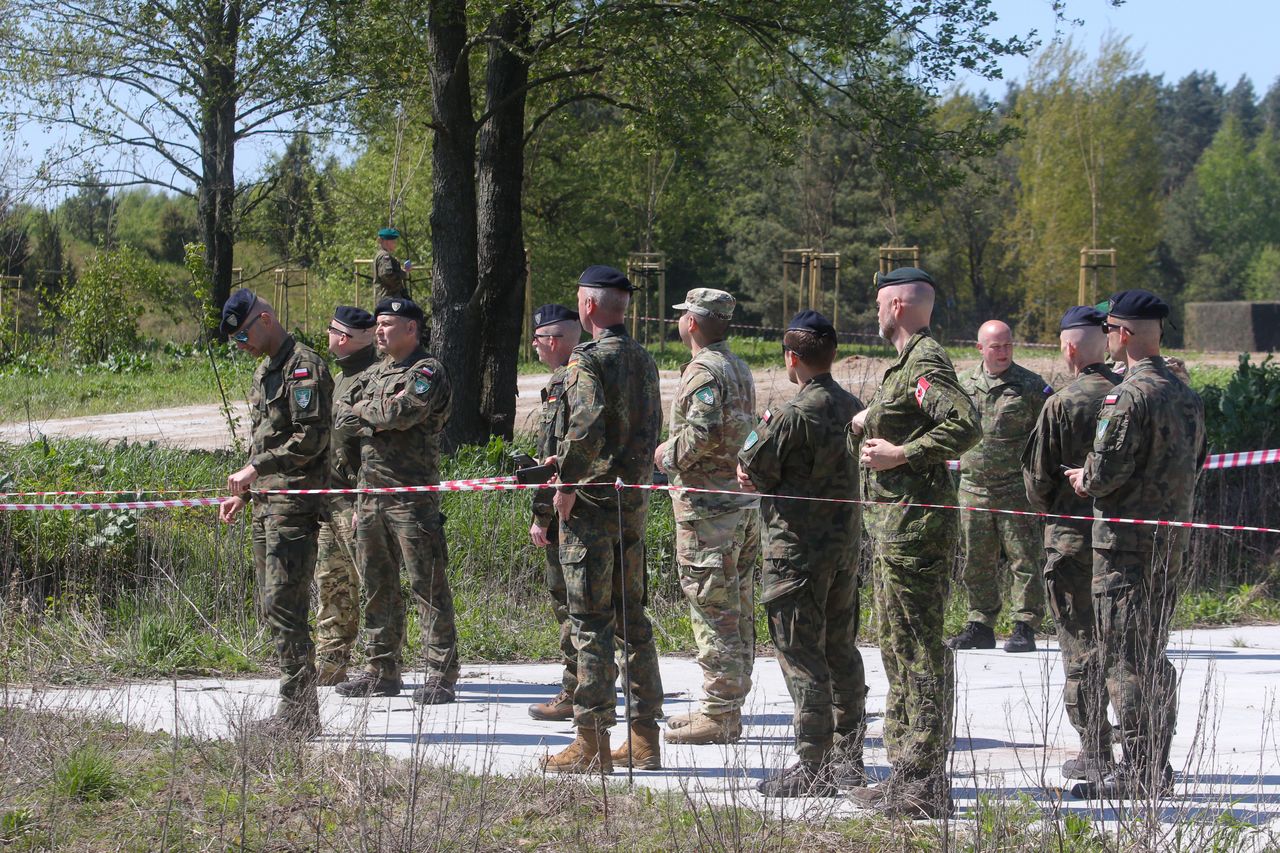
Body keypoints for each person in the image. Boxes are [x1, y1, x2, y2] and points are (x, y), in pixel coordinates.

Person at [848, 267, 980, 819]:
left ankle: (925, 785)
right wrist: (869, 421)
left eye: (880, 303)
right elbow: (910, 417)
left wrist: (901, 455)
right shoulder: (905, 366)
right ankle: (906, 771)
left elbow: (965, 423)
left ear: (898, 305)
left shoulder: (925, 361)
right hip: (894, 529)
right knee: (897, 649)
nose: (875, 313)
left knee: (919, 652)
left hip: (915, 529)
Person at [1066, 289, 1206, 799]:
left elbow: (1105, 472)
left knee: (1126, 657)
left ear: (1122, 335)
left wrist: (1084, 477)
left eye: (1109, 331)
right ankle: (1155, 764)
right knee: (1151, 650)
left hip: (1126, 545)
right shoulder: (1186, 394)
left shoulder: (1129, 396)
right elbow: (1198, 462)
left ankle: (1142, 769)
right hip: (1171, 542)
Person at [540, 265, 664, 775]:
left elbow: (588, 424)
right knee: (633, 621)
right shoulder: (644, 358)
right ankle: (644, 737)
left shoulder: (586, 361)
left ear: (588, 307)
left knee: (590, 622)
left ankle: (591, 741)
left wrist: (565, 480)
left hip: (591, 505)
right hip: (631, 502)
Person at [737, 310, 865, 798]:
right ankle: (849, 758)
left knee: (802, 655)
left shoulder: (792, 414)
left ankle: (814, 766)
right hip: (844, 549)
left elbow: (753, 466)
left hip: (796, 554)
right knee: (841, 649)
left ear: (793, 358)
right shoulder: (852, 405)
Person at [217, 290, 333, 736]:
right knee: (273, 606)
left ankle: (300, 716)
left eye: (243, 334)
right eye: (235, 340)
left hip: (294, 505)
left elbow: (312, 438)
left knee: (286, 606)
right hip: (267, 504)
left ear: (265, 319)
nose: (241, 344)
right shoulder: (266, 370)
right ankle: (297, 708)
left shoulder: (303, 366)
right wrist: (245, 492)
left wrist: (255, 469)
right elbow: (263, 439)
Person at [334, 297, 458, 705]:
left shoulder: (427, 370)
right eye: (378, 324)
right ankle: (381, 669)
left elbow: (403, 412)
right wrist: (371, 414)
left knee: (427, 585)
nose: (381, 331)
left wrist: (366, 413)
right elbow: (343, 420)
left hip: (411, 496)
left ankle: (440, 674)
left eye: (388, 324)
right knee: (377, 584)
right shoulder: (374, 373)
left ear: (411, 329)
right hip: (370, 495)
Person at [655, 288, 760, 746]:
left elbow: (699, 434)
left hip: (709, 510)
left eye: (683, 316)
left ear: (692, 322)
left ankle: (720, 715)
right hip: (740, 505)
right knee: (738, 607)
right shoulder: (738, 365)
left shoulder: (704, 370)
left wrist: (664, 456)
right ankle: (725, 707)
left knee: (714, 610)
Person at [1022, 306, 1120, 782]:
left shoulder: (1063, 403)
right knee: (1128, 645)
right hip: (1128, 542)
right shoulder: (1135, 396)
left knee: (1081, 649)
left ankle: (1096, 753)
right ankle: (1145, 754)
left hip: (1072, 542)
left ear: (1069, 348)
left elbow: (1038, 481)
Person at [948, 320, 1051, 653]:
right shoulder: (963, 384)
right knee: (976, 560)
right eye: (996, 346)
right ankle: (980, 624)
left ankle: (1025, 625)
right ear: (980, 348)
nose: (1003, 352)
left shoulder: (1031, 386)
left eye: (1008, 345)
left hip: (1014, 489)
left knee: (1025, 559)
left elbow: (1050, 432)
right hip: (973, 487)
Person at [314, 306, 380, 687]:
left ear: (344, 337)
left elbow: (377, 445)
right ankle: (333, 660)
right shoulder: (340, 378)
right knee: (331, 580)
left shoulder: (372, 379)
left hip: (357, 501)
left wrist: (363, 498)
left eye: (331, 332)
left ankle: (380, 663)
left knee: (372, 582)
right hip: (330, 499)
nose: (329, 338)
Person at [525, 304, 583, 722]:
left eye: (539, 339)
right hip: (601, 504)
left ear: (555, 340)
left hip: (569, 511)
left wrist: (541, 515)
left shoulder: (565, 381)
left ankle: (576, 687)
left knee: (569, 603)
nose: (534, 346)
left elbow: (557, 459)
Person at [372, 227, 412, 303]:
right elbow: (387, 276)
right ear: (386, 242)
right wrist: (403, 274)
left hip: (388, 298)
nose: (395, 244)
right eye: (393, 241)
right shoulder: (384, 257)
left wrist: (403, 271)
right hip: (389, 298)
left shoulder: (382, 255)